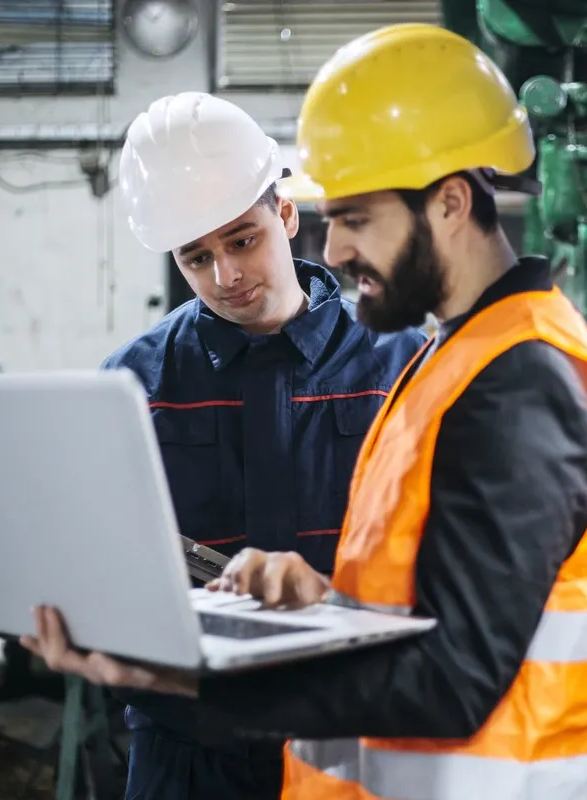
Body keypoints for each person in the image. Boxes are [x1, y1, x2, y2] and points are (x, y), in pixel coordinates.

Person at [23, 26, 587, 800]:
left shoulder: (521, 380)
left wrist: (194, 678)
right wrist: (327, 600)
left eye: (357, 219)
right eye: (338, 220)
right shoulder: (455, 361)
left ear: (451, 203)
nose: (341, 248)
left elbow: (453, 680)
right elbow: (432, 601)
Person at [99, 92, 427, 799]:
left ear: (285, 215)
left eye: (241, 240)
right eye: (197, 257)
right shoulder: (132, 385)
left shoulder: (400, 362)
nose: (226, 277)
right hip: (188, 749)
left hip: (358, 735)